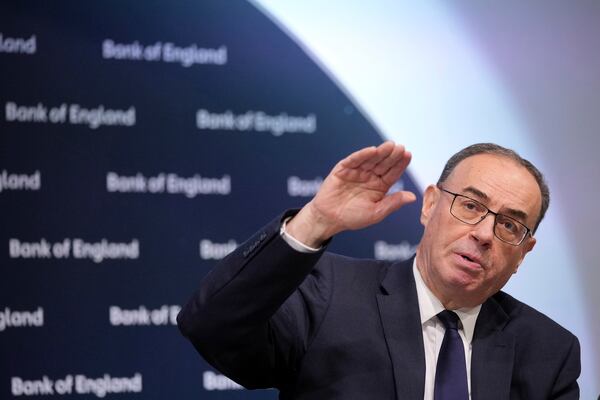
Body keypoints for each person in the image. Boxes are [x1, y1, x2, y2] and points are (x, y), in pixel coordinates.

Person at [178, 142, 580, 399]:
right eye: (471, 206)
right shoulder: (330, 294)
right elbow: (211, 326)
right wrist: (315, 220)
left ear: (524, 252)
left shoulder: (548, 352)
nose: (484, 234)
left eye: (509, 225)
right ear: (429, 206)